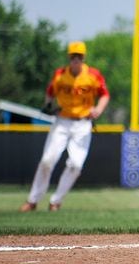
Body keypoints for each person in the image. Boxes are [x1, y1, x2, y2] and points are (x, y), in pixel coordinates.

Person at [20, 41, 110, 212]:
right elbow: (50, 92)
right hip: (62, 122)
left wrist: (98, 109)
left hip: (83, 124)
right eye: (73, 56)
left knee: (76, 165)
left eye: (79, 56)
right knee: (47, 160)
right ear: (69, 57)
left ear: (83, 58)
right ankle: (32, 201)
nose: (76, 59)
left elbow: (104, 95)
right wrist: (47, 104)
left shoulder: (93, 75)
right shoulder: (60, 74)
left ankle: (55, 202)